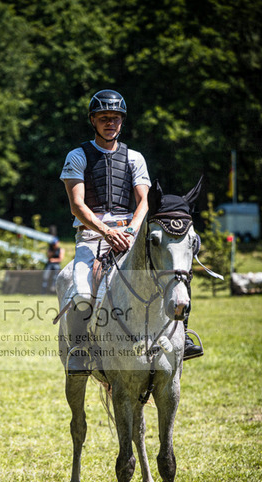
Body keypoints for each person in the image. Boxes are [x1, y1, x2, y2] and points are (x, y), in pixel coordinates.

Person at [60, 89, 202, 374]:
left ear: (122, 121)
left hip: (131, 235)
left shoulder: (135, 158)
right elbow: (77, 205)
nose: (110, 123)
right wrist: (107, 232)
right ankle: (79, 350)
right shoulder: (77, 156)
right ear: (92, 120)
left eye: (115, 118)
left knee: (173, 273)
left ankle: (183, 336)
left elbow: (145, 201)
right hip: (91, 236)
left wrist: (130, 230)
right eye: (103, 118)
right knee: (82, 293)